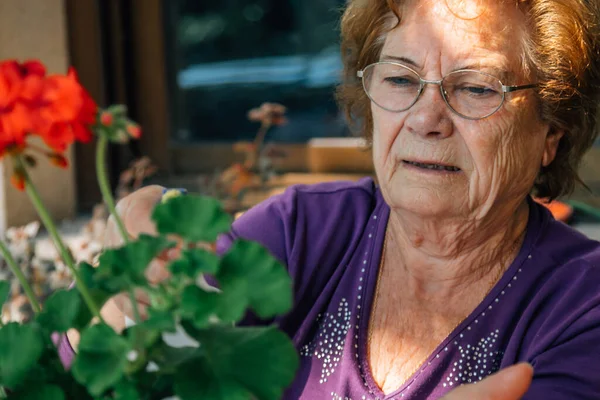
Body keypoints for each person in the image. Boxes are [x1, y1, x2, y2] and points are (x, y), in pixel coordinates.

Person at [61, 0, 600, 398]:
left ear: (551, 131)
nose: (425, 118)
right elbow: (83, 368)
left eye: (478, 87)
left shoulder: (583, 306)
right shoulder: (303, 231)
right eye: (399, 78)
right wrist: (120, 307)